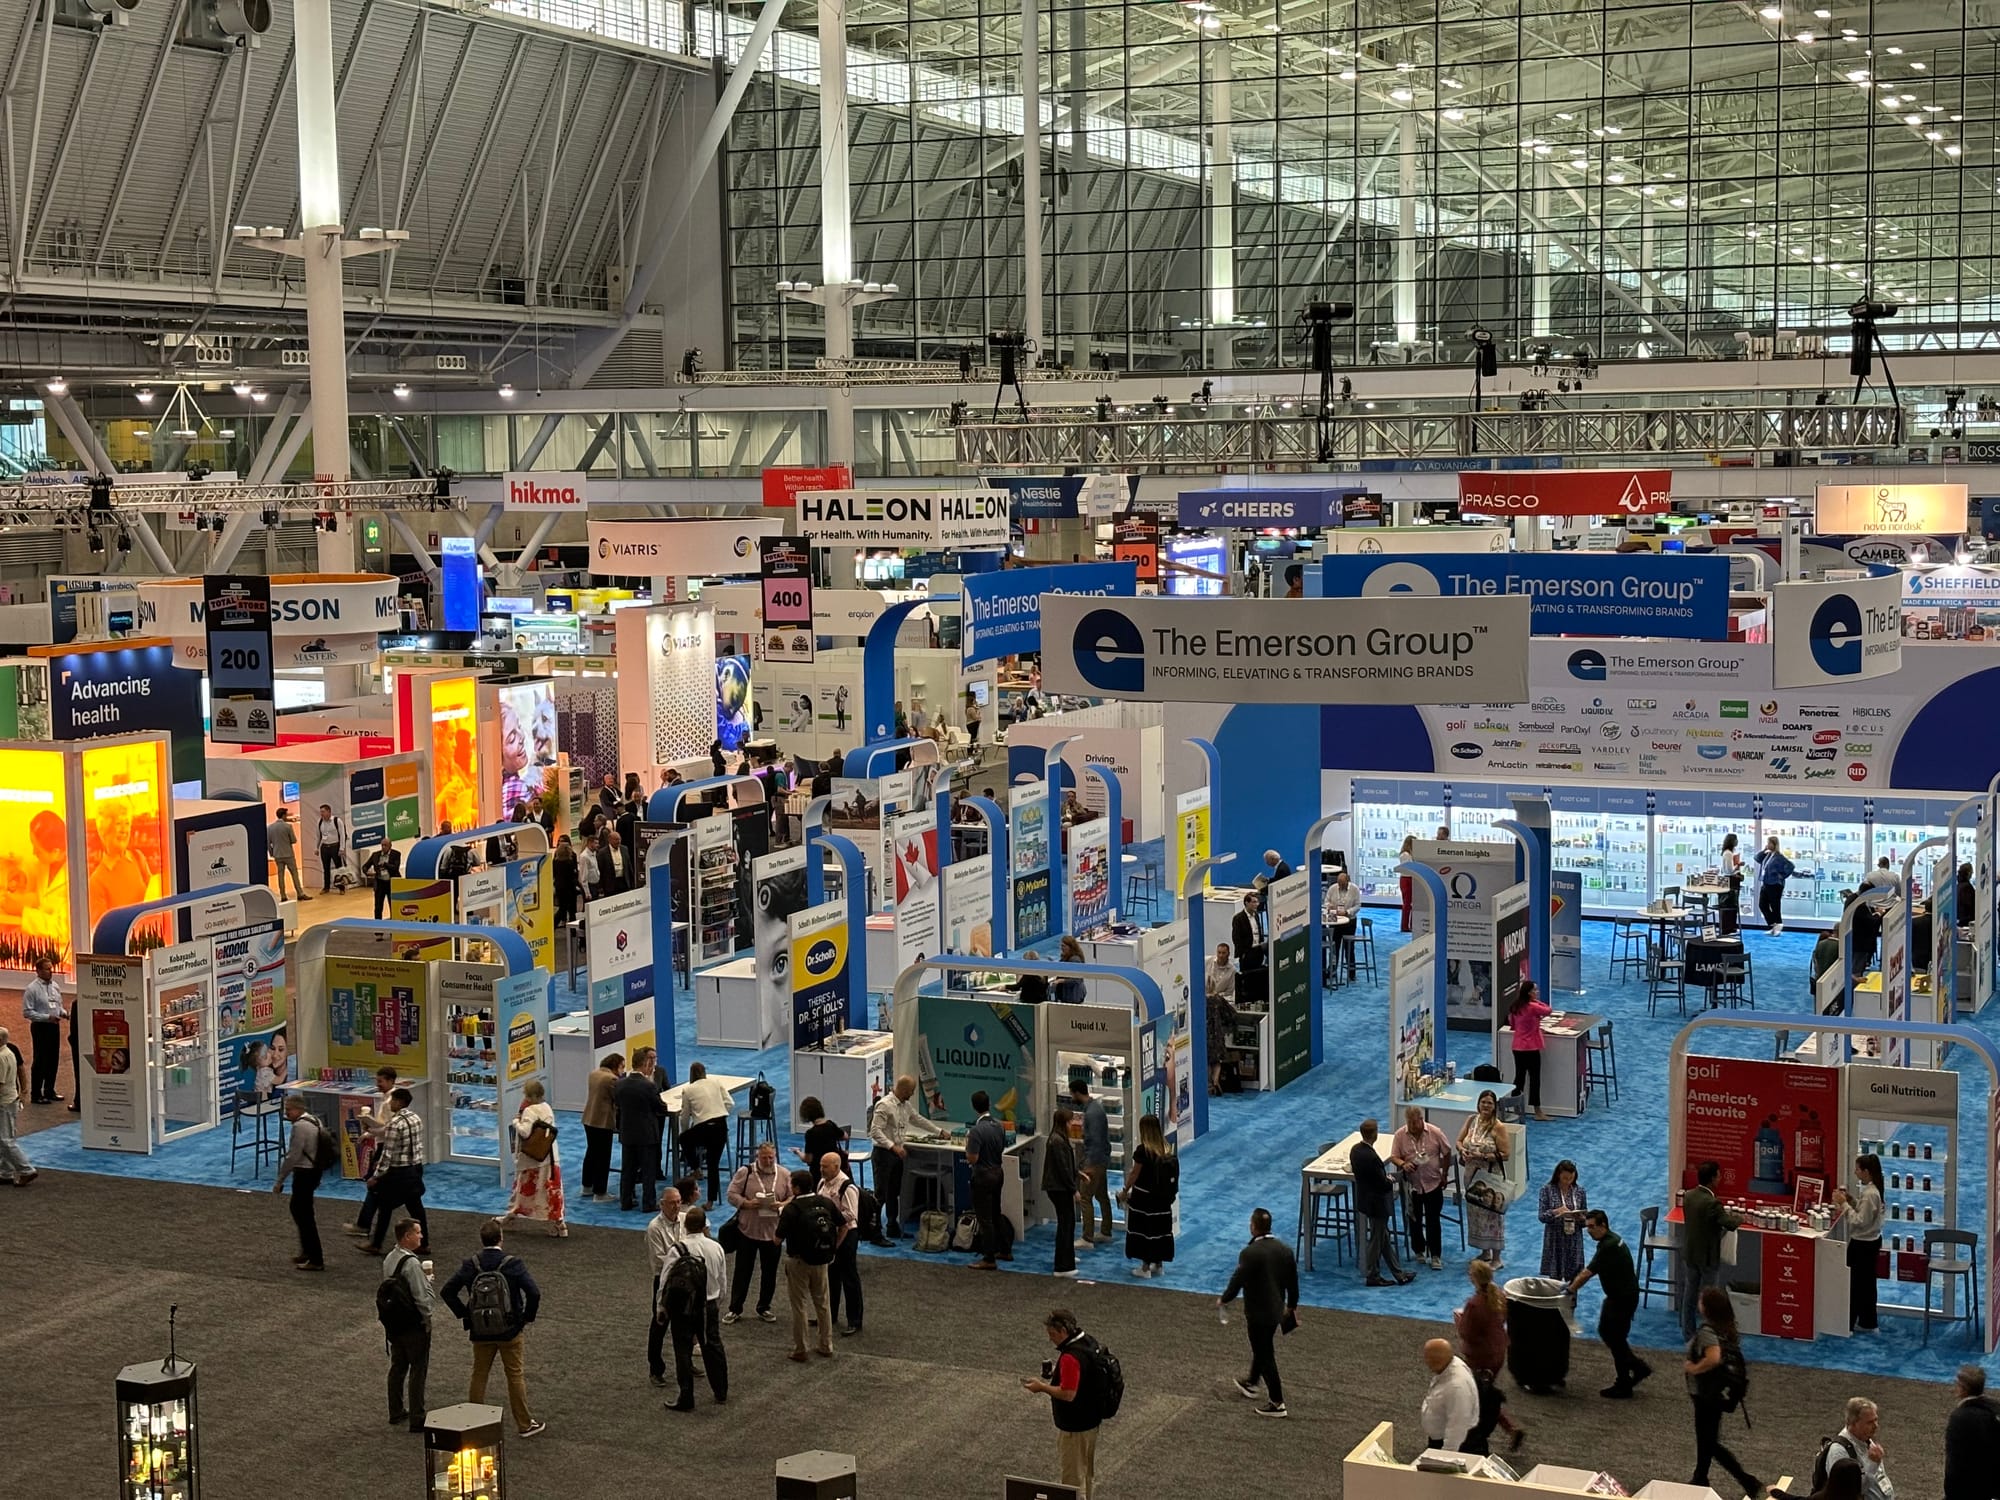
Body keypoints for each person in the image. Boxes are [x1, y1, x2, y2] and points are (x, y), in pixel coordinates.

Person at [440, 1219, 546, 1439]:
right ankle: (524, 1424)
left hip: (480, 1331)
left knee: (479, 1374)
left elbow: (447, 1291)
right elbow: (534, 1293)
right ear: (501, 1238)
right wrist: (525, 1318)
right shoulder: (512, 1264)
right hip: (510, 1330)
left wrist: (466, 1315)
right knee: (514, 1375)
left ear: (482, 1240)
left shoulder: (471, 1264)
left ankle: (472, 1422)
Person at [1219, 1206, 1299, 1419]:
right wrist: (1291, 1306)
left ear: (1253, 1227)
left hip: (1257, 1313)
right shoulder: (1285, 1250)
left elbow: (1237, 1280)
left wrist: (1224, 1299)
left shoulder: (1250, 1253)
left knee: (1264, 1354)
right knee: (1263, 1346)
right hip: (1276, 1311)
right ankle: (1252, 1383)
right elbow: (1293, 1282)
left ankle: (1277, 1402)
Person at [1684, 1286, 1762, 1497]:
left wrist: (1693, 1368)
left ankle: (1747, 1481)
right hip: (1717, 1393)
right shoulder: (1726, 1329)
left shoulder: (1707, 1333)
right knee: (1706, 1439)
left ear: (1707, 1308)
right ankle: (1700, 1477)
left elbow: (1714, 1358)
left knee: (1709, 1442)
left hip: (1706, 1394)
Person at [1022, 1308, 1107, 1495]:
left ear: (1063, 1331)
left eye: (1052, 1334)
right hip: (1091, 1421)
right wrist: (1058, 1373)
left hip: (1075, 1427)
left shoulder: (1070, 1356)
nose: (1050, 1339)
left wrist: (1042, 1387)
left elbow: (1068, 1394)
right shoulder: (1088, 1342)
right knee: (1086, 1474)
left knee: (1072, 1480)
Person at [1570, 1209, 1651, 1398]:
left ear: (1603, 1225)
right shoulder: (1612, 1240)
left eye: (1592, 1227)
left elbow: (1587, 1273)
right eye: (1587, 1227)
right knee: (1608, 1333)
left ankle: (1626, 1380)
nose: (1589, 1231)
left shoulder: (1608, 1246)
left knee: (1615, 1338)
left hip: (1622, 1299)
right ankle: (1635, 1369)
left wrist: (1570, 1290)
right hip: (1619, 1296)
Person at [661, 1207, 729, 1412]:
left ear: (685, 1225)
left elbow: (665, 1282)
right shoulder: (716, 1247)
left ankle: (686, 1397)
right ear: (704, 1225)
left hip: (683, 1308)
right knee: (713, 1346)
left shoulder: (677, 1249)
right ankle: (721, 1391)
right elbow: (722, 1280)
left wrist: (661, 1307)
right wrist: (717, 1302)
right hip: (708, 1304)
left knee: (682, 1350)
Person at [1455, 1259, 1522, 1450]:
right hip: (1497, 1351)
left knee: (1478, 1395)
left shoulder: (1474, 1304)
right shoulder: (1499, 1295)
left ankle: (1506, 1429)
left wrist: (1459, 1321)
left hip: (1480, 1356)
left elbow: (1467, 1333)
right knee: (1484, 1393)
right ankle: (1510, 1429)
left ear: (1474, 1278)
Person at [724, 1141, 792, 1323]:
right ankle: (735, 1308)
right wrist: (746, 1203)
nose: (768, 1161)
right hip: (747, 1231)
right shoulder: (745, 1172)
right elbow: (731, 1194)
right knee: (742, 1272)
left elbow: (793, 1196)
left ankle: (764, 1307)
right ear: (757, 1157)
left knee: (769, 1273)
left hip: (773, 1234)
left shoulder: (784, 1174)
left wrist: (782, 1204)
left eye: (771, 1157)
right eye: (764, 1158)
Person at [380, 1216, 435, 1432]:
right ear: (407, 1236)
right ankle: (417, 1417)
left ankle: (395, 1410)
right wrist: (427, 1319)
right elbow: (422, 1299)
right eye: (418, 1232)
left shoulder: (389, 1259)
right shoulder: (412, 1264)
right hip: (413, 1325)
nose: (421, 1236)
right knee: (418, 1370)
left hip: (395, 1324)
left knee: (398, 1367)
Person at [777, 1168, 838, 1361]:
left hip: (798, 1261)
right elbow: (844, 1224)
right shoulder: (825, 1202)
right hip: (822, 1259)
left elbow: (777, 1239)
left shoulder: (792, 1209)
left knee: (799, 1305)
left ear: (796, 1188)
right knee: (823, 1303)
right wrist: (833, 1249)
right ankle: (826, 1345)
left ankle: (801, 1348)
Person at [361, 1088, 429, 1255]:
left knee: (385, 1206)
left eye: (392, 1100)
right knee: (416, 1207)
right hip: (416, 1168)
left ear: (399, 1102)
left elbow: (387, 1154)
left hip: (399, 1172)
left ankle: (376, 1244)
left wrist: (376, 1176)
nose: (390, 1103)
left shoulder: (395, 1123)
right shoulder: (416, 1118)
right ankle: (423, 1243)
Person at [868, 1074, 936, 1240]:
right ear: (904, 1090)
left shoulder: (905, 1105)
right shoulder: (884, 1105)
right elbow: (875, 1131)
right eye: (911, 1091)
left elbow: (918, 1120)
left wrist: (938, 1131)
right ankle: (875, 1232)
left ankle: (892, 1227)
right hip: (883, 1154)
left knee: (894, 1193)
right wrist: (893, 1146)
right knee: (881, 1195)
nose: (912, 1094)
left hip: (896, 1155)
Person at [1679, 1159, 1742, 1340]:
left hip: (1691, 1254)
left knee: (1690, 1296)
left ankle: (1689, 1334)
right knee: (1710, 1300)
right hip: (1707, 1258)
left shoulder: (1689, 1196)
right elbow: (1729, 1223)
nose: (1720, 1178)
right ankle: (1710, 1336)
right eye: (1719, 1175)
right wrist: (1740, 1218)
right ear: (1713, 1178)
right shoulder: (1712, 1203)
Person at [1352, 1118, 1415, 1287]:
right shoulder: (1372, 1157)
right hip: (1377, 1204)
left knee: (1384, 1239)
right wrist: (1394, 1179)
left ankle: (1399, 1274)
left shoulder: (1355, 1150)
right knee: (1376, 1241)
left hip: (1365, 1200)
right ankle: (1372, 1275)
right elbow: (1382, 1183)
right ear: (1375, 1134)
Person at [1391, 1105, 1453, 1271]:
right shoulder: (1400, 1135)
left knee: (1433, 1220)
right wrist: (1403, 1164)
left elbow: (1447, 1152)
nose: (1412, 1126)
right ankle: (1418, 1249)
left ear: (1421, 1119)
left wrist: (1445, 1174)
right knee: (1414, 1219)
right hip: (1412, 1186)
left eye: (1415, 1122)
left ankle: (1435, 1255)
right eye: (1409, 1122)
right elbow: (1394, 1156)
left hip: (1433, 1183)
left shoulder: (1435, 1132)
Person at [272, 1095, 329, 1270]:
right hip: (314, 1170)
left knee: (303, 1215)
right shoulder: (315, 1121)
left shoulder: (299, 1127)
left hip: (304, 1173)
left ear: (298, 1109)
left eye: (288, 1110)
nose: (286, 1114)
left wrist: (280, 1179)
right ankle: (307, 1251)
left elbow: (293, 1156)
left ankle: (315, 1258)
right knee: (302, 1211)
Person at [503, 1080, 566, 1236]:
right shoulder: (547, 1107)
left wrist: (515, 1122)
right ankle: (559, 1223)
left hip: (531, 1159)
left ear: (530, 1096)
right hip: (550, 1156)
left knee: (522, 1190)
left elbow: (525, 1132)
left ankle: (511, 1216)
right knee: (551, 1191)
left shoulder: (529, 1111)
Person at [1832, 1153, 1886, 1332]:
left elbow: (1858, 1221)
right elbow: (1866, 1214)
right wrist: (1851, 1201)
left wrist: (1843, 1204)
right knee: (1867, 1285)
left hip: (1862, 1245)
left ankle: (1849, 1323)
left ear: (1866, 1172)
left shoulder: (1870, 1194)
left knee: (1855, 1285)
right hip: (1870, 1243)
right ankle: (1867, 1322)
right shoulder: (1873, 1191)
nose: (1855, 1173)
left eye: (1857, 1169)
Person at [1459, 1090, 1511, 1269]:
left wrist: (1483, 1156)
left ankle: (1497, 1258)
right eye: (1483, 1102)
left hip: (1490, 1177)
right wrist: (1463, 1150)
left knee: (1492, 1216)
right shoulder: (1471, 1120)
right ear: (1478, 1104)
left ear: (1495, 1106)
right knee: (1476, 1215)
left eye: (1489, 1103)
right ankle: (1485, 1251)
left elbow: (1505, 1154)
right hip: (1471, 1176)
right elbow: (1459, 1141)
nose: (1486, 1106)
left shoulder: (1498, 1127)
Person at [1123, 1111, 1178, 1278]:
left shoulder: (1143, 1151)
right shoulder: (1166, 1148)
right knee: (1160, 1230)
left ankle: (1145, 1267)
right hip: (1163, 1200)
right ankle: (1158, 1265)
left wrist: (1125, 1190)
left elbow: (1135, 1174)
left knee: (1144, 1230)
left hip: (1144, 1200)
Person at [817, 1150, 864, 1336]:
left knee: (849, 1278)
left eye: (825, 1167)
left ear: (836, 1167)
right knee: (830, 1277)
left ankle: (854, 1320)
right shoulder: (822, 1182)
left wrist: (831, 1218)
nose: (821, 1170)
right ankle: (830, 1315)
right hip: (829, 1234)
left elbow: (851, 1215)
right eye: (821, 1166)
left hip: (847, 1235)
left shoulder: (847, 1187)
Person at [643, 1187, 686, 1385]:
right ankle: (655, 1369)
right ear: (662, 1204)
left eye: (678, 1202)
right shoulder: (654, 1228)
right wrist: (686, 1262)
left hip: (685, 1280)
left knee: (685, 1325)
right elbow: (660, 1260)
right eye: (671, 1203)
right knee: (660, 1324)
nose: (676, 1206)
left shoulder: (685, 1219)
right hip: (664, 1281)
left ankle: (685, 1365)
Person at [615, 1047, 667, 1212]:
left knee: (628, 1170)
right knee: (648, 1170)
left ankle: (625, 1201)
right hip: (646, 1135)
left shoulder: (620, 1084)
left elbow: (618, 1105)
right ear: (645, 1064)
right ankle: (648, 1203)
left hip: (627, 1133)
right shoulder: (648, 1086)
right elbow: (661, 1108)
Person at [677, 1062, 733, 1210]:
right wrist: (719, 1112)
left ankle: (696, 1168)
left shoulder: (688, 1089)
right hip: (720, 1126)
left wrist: (684, 1131)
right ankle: (710, 1201)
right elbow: (730, 1103)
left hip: (703, 1127)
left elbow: (684, 1116)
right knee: (713, 1165)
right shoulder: (716, 1082)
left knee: (683, 1139)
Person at [1814, 1397, 1892, 1500]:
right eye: (1869, 1422)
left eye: (1876, 1420)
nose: (1876, 1426)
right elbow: (1849, 1492)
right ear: (1853, 1423)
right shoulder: (1839, 1452)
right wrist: (1873, 1464)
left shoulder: (1865, 1439)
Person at [966, 1090, 1011, 1269]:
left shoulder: (976, 1131)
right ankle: (1005, 1250)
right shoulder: (999, 1126)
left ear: (973, 1107)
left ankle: (989, 1258)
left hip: (983, 1176)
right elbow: (1002, 1147)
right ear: (989, 1104)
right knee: (996, 1213)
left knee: (985, 1219)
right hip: (998, 1172)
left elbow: (972, 1158)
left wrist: (967, 1147)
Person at [1944, 1363, 2000, 1500]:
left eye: (1957, 1384)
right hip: (1991, 1487)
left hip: (1966, 1489)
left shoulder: (1960, 1418)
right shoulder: (1995, 1411)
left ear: (1963, 1389)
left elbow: (1955, 1461)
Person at [1070, 1078, 1115, 1245]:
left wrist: (1088, 1166)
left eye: (1072, 1094)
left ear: (1077, 1093)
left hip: (1094, 1161)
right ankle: (1106, 1231)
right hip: (1101, 1159)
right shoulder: (1095, 1108)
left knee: (1085, 1197)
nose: (1071, 1098)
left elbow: (1095, 1141)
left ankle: (1087, 1238)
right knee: (1102, 1195)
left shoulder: (1091, 1113)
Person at [1421, 1337, 1482, 1453]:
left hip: (1454, 1443)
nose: (1426, 1362)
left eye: (1429, 1359)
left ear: (1437, 1361)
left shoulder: (1456, 1387)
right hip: (1441, 1436)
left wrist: (1446, 1454)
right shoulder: (1451, 1364)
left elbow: (1458, 1424)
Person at [1505, 980, 1552, 1121]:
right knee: (1534, 1079)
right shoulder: (1532, 1006)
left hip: (1517, 1047)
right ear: (1529, 993)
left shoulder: (1515, 1007)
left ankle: (1515, 1108)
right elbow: (1548, 1010)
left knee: (1519, 1078)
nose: (1537, 992)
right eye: (1535, 991)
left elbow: (1513, 1025)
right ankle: (1537, 1111)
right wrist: (1537, 1001)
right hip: (1531, 1048)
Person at [581, 1053, 623, 1202]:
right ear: (615, 1065)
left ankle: (587, 1186)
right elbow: (618, 1099)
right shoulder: (611, 1079)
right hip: (602, 1122)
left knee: (591, 1153)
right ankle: (600, 1192)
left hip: (589, 1118)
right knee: (603, 1157)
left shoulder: (594, 1074)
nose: (623, 1070)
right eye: (622, 1066)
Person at [1043, 1108, 1080, 1277]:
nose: (1073, 1124)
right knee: (1066, 1224)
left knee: (1067, 1223)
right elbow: (1063, 1168)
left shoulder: (1058, 1138)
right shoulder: (1057, 1141)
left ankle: (1067, 1256)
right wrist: (1074, 1189)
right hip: (1059, 1188)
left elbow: (1066, 1165)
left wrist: (1078, 1174)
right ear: (1064, 1123)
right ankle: (1063, 1265)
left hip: (1059, 1186)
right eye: (1071, 1121)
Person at [21, 956, 63, 1104]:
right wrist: (46, 1017)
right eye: (47, 969)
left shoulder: (55, 986)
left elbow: (58, 1006)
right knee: (40, 1060)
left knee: (53, 1059)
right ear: (38, 971)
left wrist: (64, 1013)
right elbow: (27, 1012)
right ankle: (36, 1094)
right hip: (40, 1027)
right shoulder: (32, 989)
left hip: (54, 1026)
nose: (50, 971)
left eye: (51, 968)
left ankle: (49, 1090)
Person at [1538, 1159, 1587, 1280]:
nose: (1568, 1181)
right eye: (1565, 1178)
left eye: (1571, 1178)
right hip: (1555, 1239)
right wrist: (1556, 1211)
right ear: (1558, 1175)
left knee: (1574, 1278)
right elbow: (1542, 1216)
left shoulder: (1580, 1191)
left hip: (1574, 1239)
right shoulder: (1547, 1190)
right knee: (1555, 1280)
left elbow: (1585, 1217)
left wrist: (1582, 1218)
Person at [0, 1027, 34, 1185]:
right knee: (7, 1137)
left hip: (4, 1102)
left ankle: (26, 1170)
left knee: (5, 1140)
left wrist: (25, 1090)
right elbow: (20, 1069)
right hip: (11, 1099)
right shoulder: (9, 1051)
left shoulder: (1, 1057)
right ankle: (5, 1172)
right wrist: (24, 1090)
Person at [1204, 942, 1237, 1096]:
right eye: (1219, 952)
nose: (1220, 955)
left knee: (1207, 1058)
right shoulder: (1218, 1000)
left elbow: (1230, 991)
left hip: (1205, 1033)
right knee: (1216, 1059)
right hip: (1217, 1033)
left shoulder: (1201, 1001)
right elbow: (1231, 1014)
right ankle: (1215, 1080)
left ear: (1228, 954)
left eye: (1224, 953)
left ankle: (1209, 1084)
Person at [1324, 868, 1361, 984]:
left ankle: (1351, 972)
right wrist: (1330, 907)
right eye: (1339, 883)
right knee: (1334, 948)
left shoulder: (1354, 889)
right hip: (1335, 922)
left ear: (1347, 881)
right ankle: (1332, 970)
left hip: (1349, 922)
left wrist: (1347, 912)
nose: (1340, 885)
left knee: (1349, 948)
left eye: (1342, 883)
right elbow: (1326, 902)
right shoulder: (1332, 888)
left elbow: (1358, 906)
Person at [1754, 834, 1795, 934]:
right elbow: (1757, 858)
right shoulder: (1768, 855)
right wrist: (1764, 850)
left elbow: (1791, 866)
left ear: (1774, 844)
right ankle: (1774, 924)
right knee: (1762, 905)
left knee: (1775, 906)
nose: (1767, 845)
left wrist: (1782, 876)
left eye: (1769, 843)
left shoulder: (1779, 857)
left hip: (1775, 884)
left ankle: (1777, 926)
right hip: (1766, 883)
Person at [267, 807, 309, 901]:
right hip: (288, 854)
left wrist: (272, 853)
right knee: (294, 874)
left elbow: (268, 843)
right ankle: (300, 893)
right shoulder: (288, 826)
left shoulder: (270, 827)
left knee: (280, 875)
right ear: (283, 815)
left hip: (277, 854)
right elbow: (293, 840)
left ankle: (283, 895)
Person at [795, 1095, 845, 1171]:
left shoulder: (810, 1133)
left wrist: (798, 1152)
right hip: (834, 1169)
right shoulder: (830, 1124)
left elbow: (808, 1159)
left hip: (818, 1170)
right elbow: (845, 1136)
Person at [361, 836, 402, 921]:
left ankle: (395, 924)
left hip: (391, 884)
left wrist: (385, 864)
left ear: (390, 846)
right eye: (382, 845)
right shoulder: (375, 855)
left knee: (393, 906)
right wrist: (367, 873)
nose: (383, 847)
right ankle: (378, 926)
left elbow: (395, 868)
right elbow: (365, 866)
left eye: (385, 845)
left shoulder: (396, 854)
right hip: (380, 883)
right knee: (378, 907)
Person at [1232, 892, 1266, 977]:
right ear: (1247, 903)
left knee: (1258, 974)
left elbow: (1259, 931)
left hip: (1258, 950)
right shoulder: (1238, 918)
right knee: (1247, 977)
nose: (1257, 904)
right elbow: (1236, 938)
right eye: (1254, 902)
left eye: (1257, 902)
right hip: (1247, 953)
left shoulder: (1256, 915)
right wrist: (1242, 953)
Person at [1717, 832, 1744, 935]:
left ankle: (1730, 926)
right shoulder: (1728, 853)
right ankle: (1728, 927)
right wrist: (1738, 865)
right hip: (1731, 881)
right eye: (1736, 840)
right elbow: (1729, 870)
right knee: (1729, 904)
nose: (1737, 842)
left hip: (1730, 880)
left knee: (1731, 905)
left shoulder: (1728, 852)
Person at [551, 836, 579, 928]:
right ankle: (572, 928)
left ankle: (555, 924)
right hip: (569, 889)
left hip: (559, 887)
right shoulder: (569, 863)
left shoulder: (556, 862)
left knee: (562, 908)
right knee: (571, 910)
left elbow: (554, 874)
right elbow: (573, 876)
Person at [315, 803, 344, 892]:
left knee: (338, 868)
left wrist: (341, 848)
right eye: (321, 812)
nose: (321, 814)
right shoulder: (320, 822)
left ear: (329, 811)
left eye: (323, 812)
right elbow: (318, 836)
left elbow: (342, 835)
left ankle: (341, 888)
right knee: (326, 868)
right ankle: (326, 887)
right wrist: (316, 848)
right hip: (324, 847)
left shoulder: (337, 821)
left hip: (335, 846)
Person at [1812, 928, 1844, 1005]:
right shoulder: (1839, 946)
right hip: (1832, 981)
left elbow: (1815, 965)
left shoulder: (1818, 946)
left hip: (1818, 978)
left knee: (1819, 1003)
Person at [1399, 834, 1417, 932]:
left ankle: (1411, 924)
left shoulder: (1410, 854)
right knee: (1407, 904)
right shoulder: (1405, 855)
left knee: (1411, 903)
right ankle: (1404, 926)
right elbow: (1408, 868)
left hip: (1411, 879)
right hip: (1406, 879)